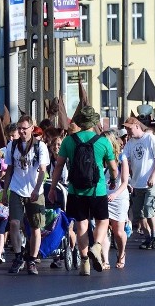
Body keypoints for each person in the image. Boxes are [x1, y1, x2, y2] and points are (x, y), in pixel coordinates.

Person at [48, 106, 117, 276]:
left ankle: (84, 263)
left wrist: (52, 187)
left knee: (81, 225)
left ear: (79, 123)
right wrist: (114, 180)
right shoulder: (102, 141)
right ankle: (97, 245)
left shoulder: (69, 141)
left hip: (75, 190)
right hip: (97, 190)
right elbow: (113, 168)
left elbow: (58, 165)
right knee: (103, 221)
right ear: (94, 123)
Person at [3, 115, 50, 275]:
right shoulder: (12, 145)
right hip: (16, 189)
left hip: (35, 190)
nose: (22, 131)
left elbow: (43, 170)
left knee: (35, 227)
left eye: (25, 128)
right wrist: (5, 190)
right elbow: (9, 169)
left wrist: (37, 189)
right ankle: (18, 257)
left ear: (31, 128)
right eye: (20, 128)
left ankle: (32, 259)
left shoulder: (40, 146)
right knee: (15, 223)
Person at [122, 116, 155, 250]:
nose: (128, 131)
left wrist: (152, 176)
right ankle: (147, 237)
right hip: (137, 182)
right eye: (126, 129)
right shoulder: (130, 143)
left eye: (129, 128)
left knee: (148, 209)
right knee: (138, 213)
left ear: (137, 126)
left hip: (151, 182)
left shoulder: (150, 139)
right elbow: (124, 158)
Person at [102, 130, 129, 269]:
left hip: (119, 196)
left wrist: (115, 194)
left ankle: (121, 253)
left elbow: (124, 182)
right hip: (103, 196)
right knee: (103, 229)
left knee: (118, 231)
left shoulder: (121, 157)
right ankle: (105, 260)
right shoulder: (99, 157)